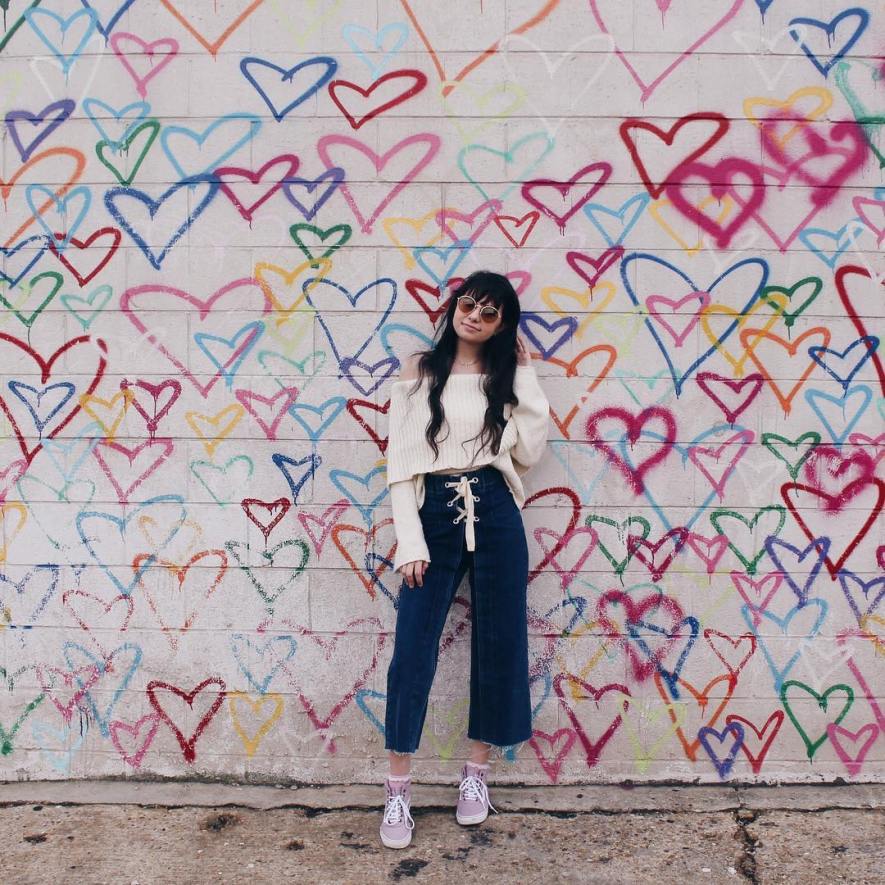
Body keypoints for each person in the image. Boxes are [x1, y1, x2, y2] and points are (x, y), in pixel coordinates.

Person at [379, 270, 551, 849]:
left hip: (497, 509)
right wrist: (410, 540)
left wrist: (525, 373)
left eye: (490, 311)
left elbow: (528, 451)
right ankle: (398, 789)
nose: (475, 315)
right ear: (454, 306)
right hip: (435, 511)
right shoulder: (419, 369)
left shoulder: (506, 376)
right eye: (469, 304)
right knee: (412, 647)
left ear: (503, 324)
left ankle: (476, 776)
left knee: (501, 642)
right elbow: (401, 464)